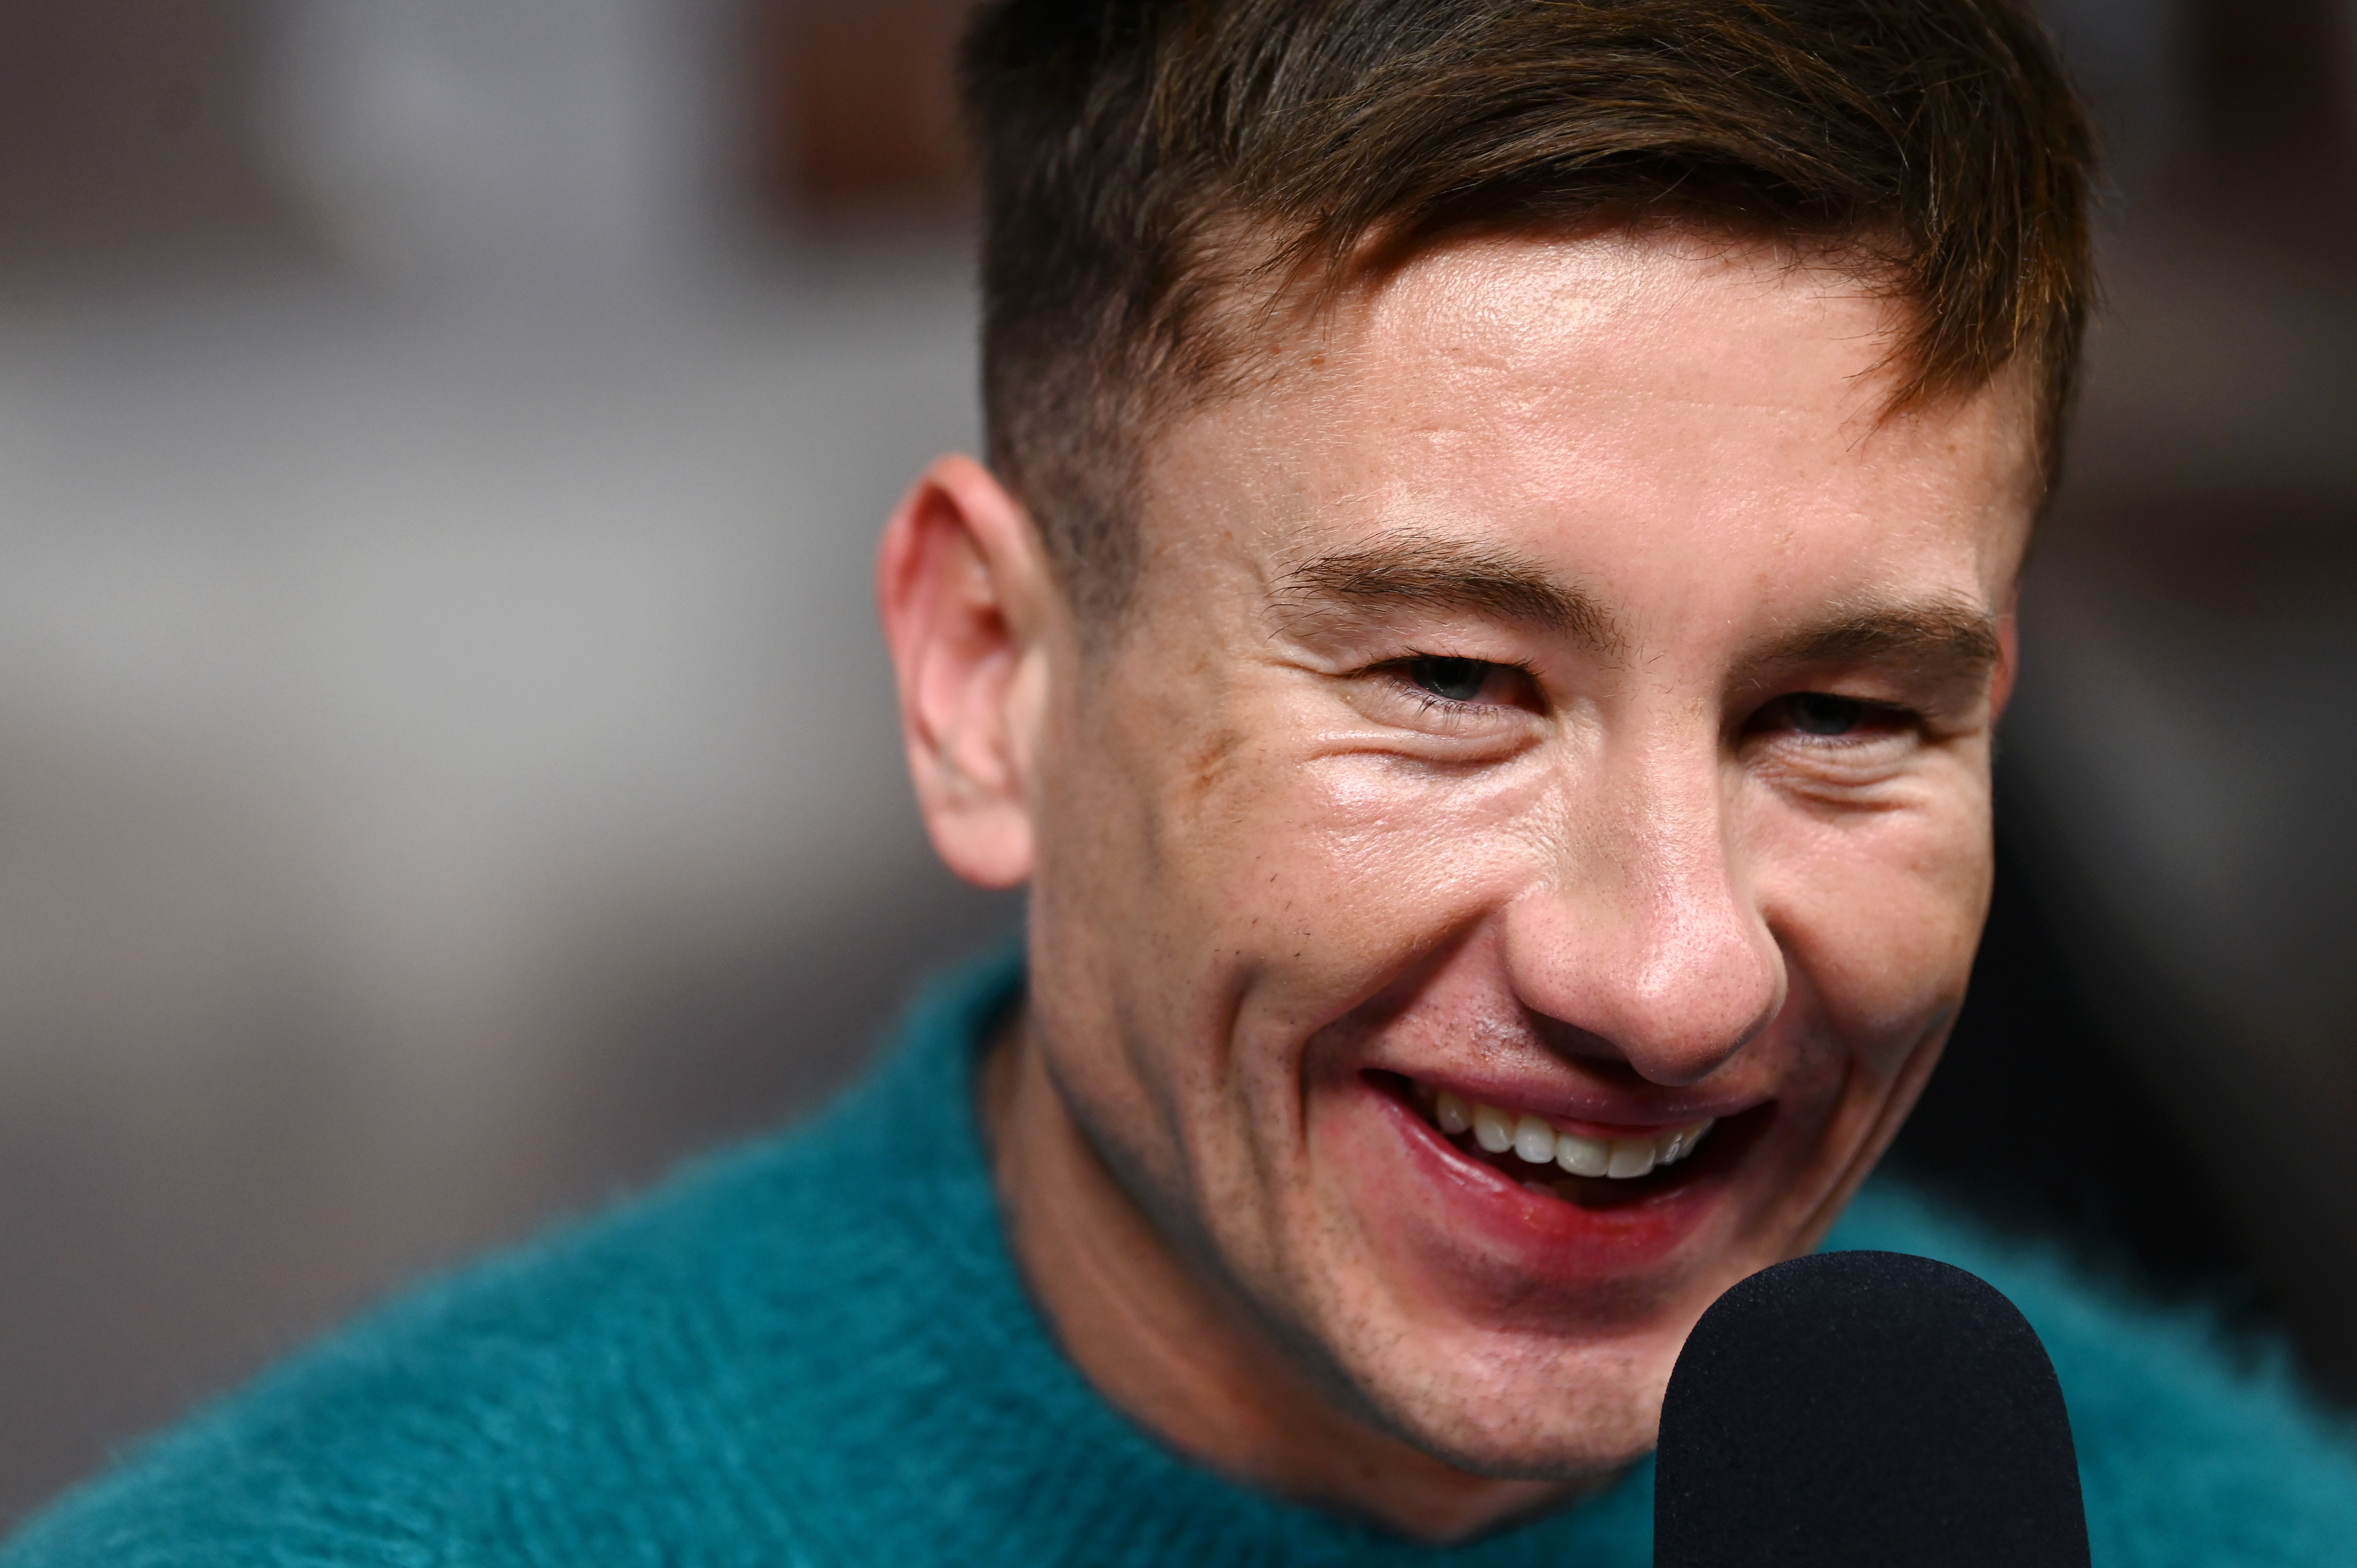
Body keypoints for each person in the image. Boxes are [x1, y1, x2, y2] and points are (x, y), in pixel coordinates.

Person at [8, 0, 2356, 1562]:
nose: (1670, 973)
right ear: (984, 679)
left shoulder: (2224, 1528)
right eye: (1447, 678)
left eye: (1841, 716)